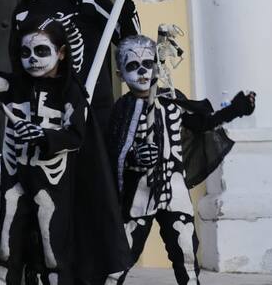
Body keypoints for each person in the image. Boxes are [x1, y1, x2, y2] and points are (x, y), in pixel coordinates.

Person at [0, 16, 131, 284]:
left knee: (54, 255)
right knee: (5, 250)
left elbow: (75, 136)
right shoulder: (14, 86)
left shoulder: (72, 93)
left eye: (41, 51)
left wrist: (43, 135)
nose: (33, 59)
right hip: (15, 182)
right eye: (25, 52)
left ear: (61, 53)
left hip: (53, 185)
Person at [106, 34, 256, 285]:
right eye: (133, 66)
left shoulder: (171, 102)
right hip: (139, 196)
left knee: (186, 252)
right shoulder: (123, 109)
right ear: (120, 74)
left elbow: (204, 123)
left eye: (148, 64)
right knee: (122, 256)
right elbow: (115, 150)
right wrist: (134, 156)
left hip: (174, 190)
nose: (143, 72)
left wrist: (236, 108)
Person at [8, 0, 140, 131]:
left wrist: (127, 3)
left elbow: (129, 39)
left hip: (95, 110)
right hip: (49, 117)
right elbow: (19, 70)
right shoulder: (22, 14)